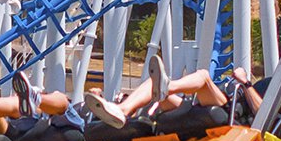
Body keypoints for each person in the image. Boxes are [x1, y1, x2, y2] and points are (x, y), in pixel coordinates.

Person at [83, 52, 229, 128]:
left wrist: (246, 83)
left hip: (228, 110)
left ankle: (168, 87)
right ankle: (122, 110)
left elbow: (253, 108)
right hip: (192, 104)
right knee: (151, 83)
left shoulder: (244, 86)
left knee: (203, 75)